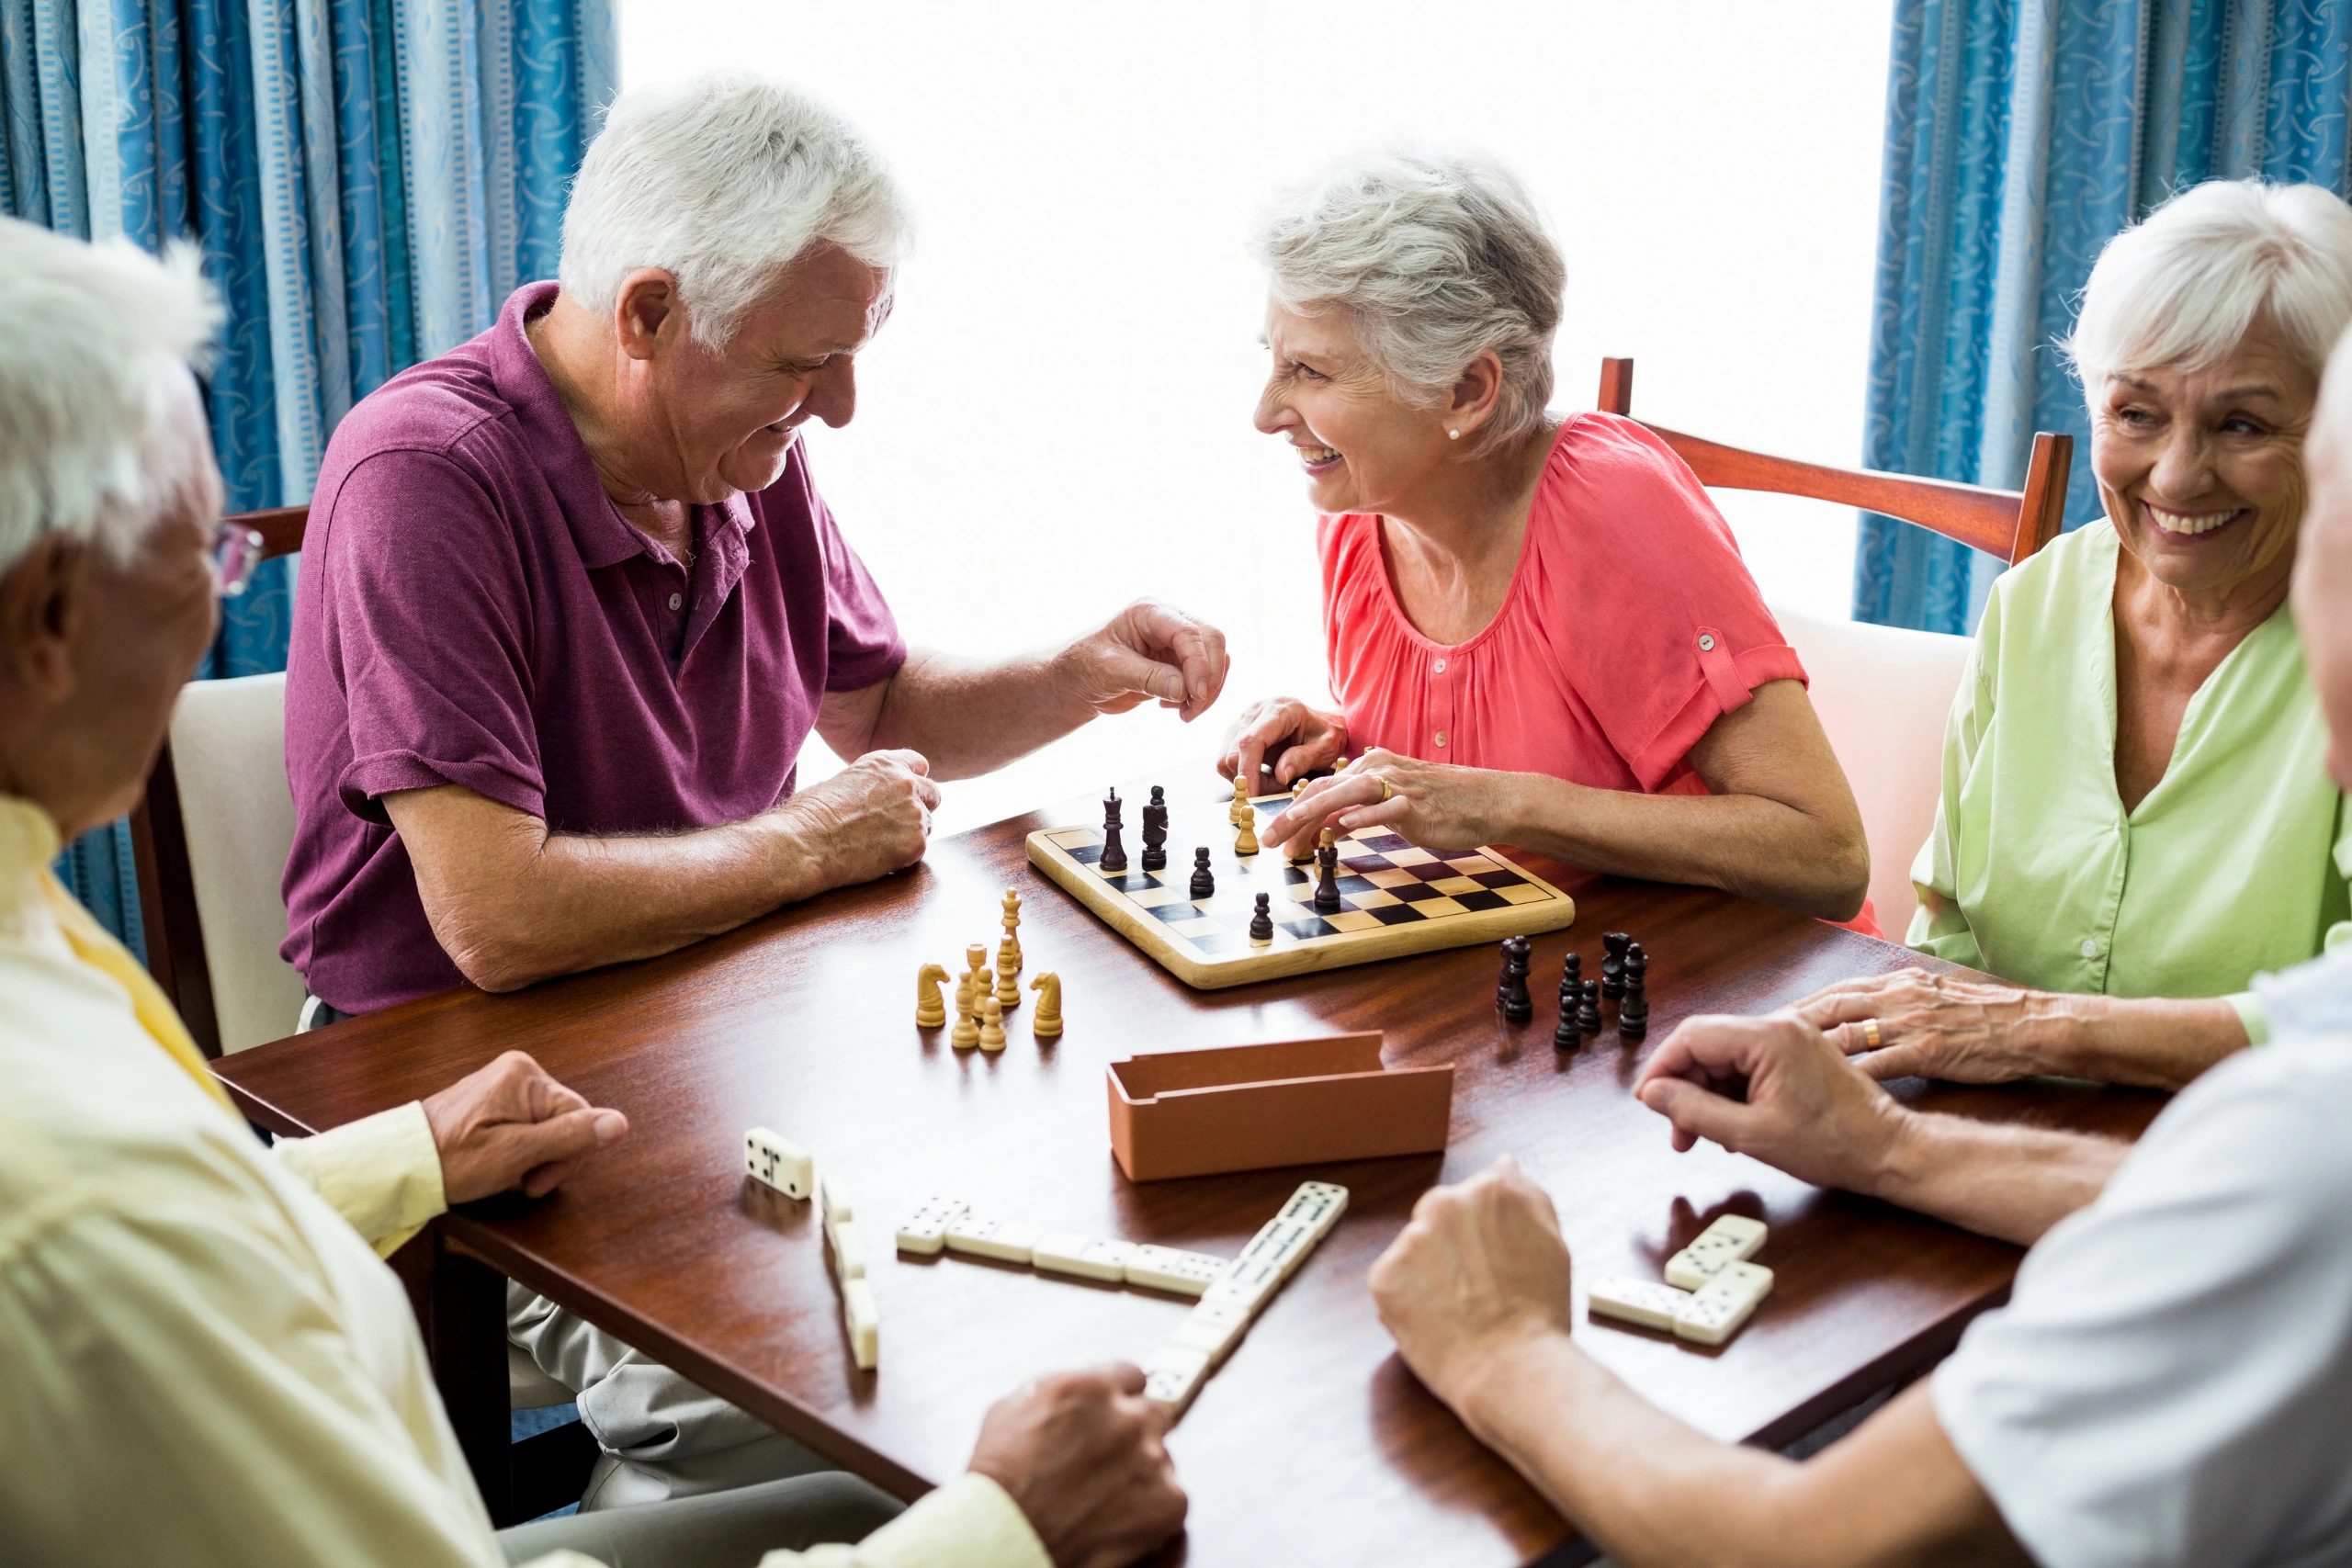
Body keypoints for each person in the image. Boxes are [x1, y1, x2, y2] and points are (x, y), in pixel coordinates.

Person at [0, 217, 1188, 1568]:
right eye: (207, 557)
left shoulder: (33, 928)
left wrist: (400, 1157)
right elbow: (493, 924)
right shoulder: (69, 1200)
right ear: (49, 620)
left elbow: (878, 698)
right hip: (494, 1051)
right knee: (899, 1411)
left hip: (687, 1061)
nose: (221, 616)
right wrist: (998, 1532)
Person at [277, 74, 1227, 1506]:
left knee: (1046, 1293)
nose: (839, 406)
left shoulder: (740, 452)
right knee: (859, 1389)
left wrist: (1073, 667)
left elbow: (883, 705)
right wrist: (798, 846)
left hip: (718, 1034)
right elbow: (498, 917)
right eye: (805, 361)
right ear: (648, 315)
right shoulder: (427, 476)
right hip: (470, 1081)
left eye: (851, 354)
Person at [1358, 317, 2352, 1566]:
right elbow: (2211, 1208)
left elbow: (1794, 1544)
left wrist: (1501, 1346)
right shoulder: (2307, 1088)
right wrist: (1885, 1143)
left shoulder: (2298, 1145)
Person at [1219, 150, 1870, 926]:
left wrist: (1506, 803)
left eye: (1311, 372)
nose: (1266, 413)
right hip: (1515, 993)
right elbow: (1464, 741)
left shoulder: (1610, 509)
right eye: (1273, 358)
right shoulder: (1362, 507)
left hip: (1733, 995)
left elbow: (1829, 855)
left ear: (1466, 390)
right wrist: (1341, 737)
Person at [1802, 179, 2352, 1093]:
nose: (2176, 478)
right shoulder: (2035, 601)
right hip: (1990, 1135)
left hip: (2266, 1167)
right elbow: (1949, 932)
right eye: (2135, 413)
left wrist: (2043, 1034)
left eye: (2241, 424)